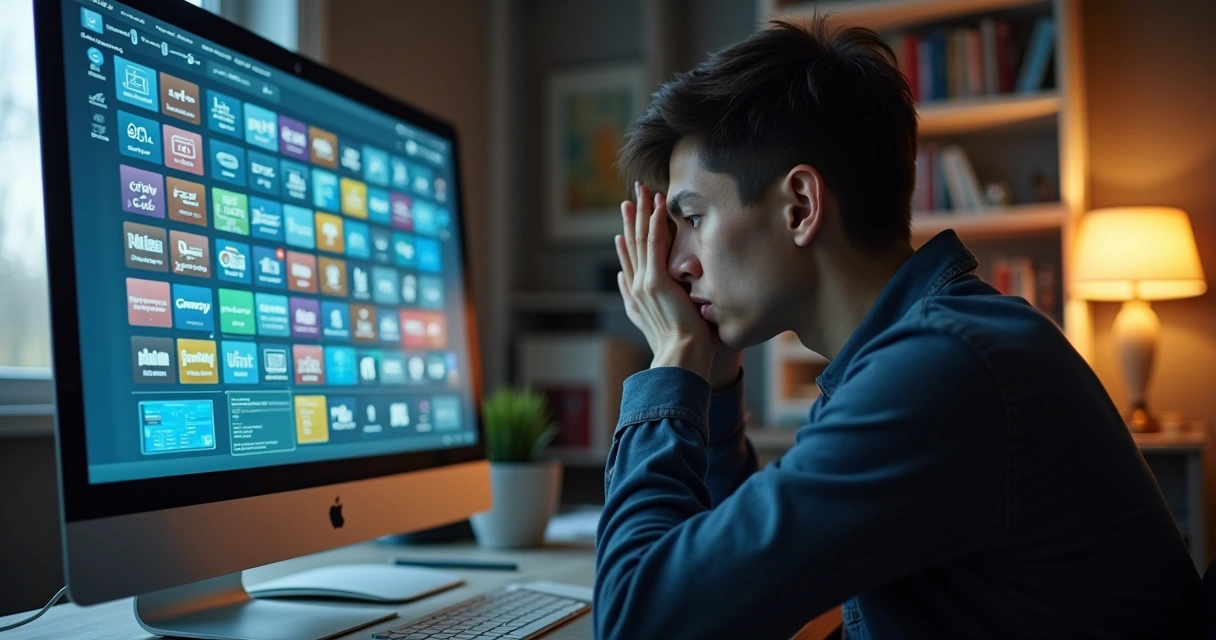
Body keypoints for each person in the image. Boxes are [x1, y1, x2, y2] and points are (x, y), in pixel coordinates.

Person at [594, 16, 1203, 640]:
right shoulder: (922, 351)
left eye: (692, 217)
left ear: (800, 206)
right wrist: (712, 385)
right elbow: (731, 580)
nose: (675, 263)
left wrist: (670, 362)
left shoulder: (943, 371)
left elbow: (639, 621)